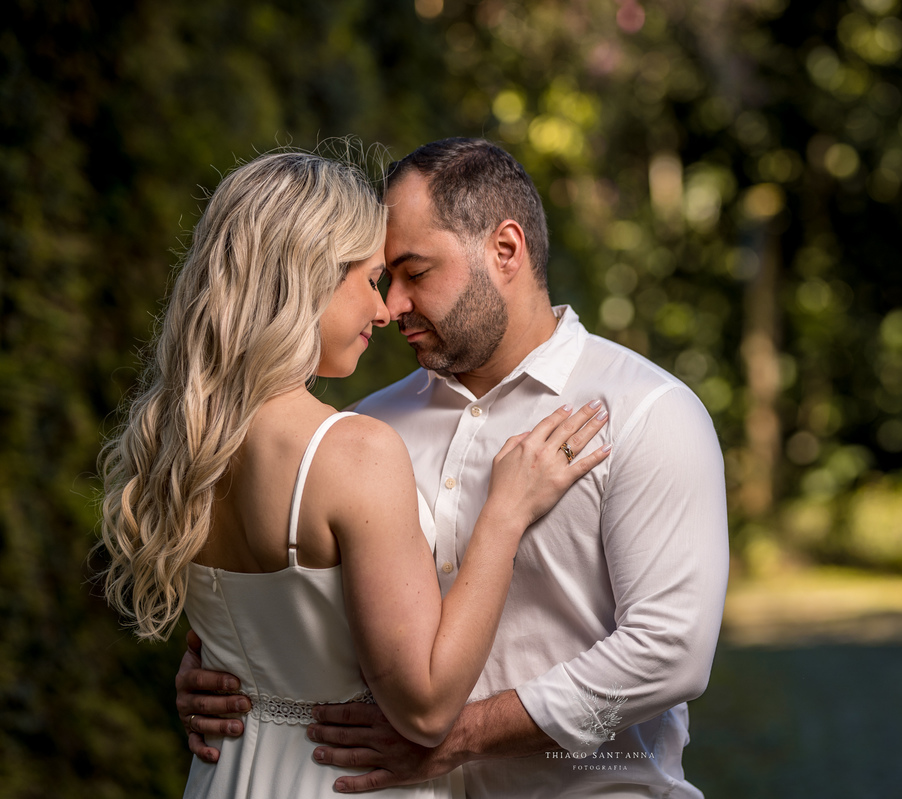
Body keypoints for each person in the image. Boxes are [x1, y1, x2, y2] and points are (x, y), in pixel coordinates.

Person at [176, 138, 730, 797]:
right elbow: (305, 613)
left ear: (504, 251)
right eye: (383, 278)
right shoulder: (362, 428)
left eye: (414, 271)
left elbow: (670, 657)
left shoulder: (647, 412)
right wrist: (225, 675)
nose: (394, 305)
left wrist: (463, 732)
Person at [97, 150, 611, 798]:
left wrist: (210, 678)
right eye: (370, 281)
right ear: (308, 277)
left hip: (224, 774)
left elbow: (248, 640)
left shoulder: (187, 441)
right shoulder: (355, 451)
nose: (385, 310)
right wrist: (505, 515)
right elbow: (424, 708)